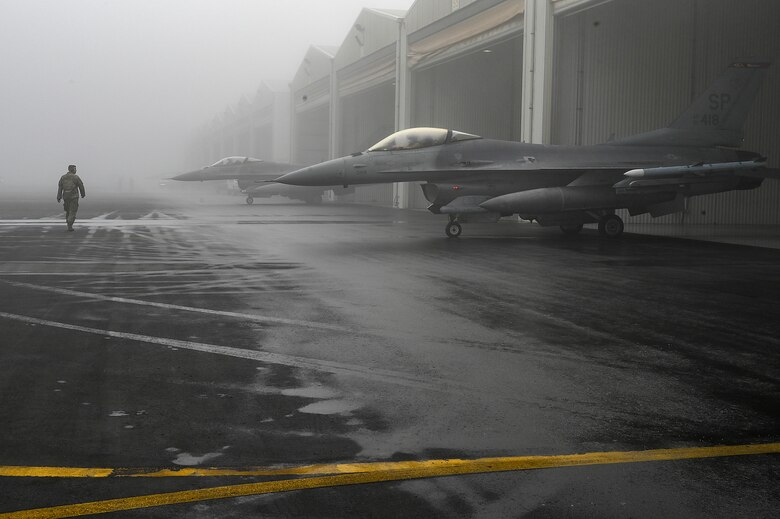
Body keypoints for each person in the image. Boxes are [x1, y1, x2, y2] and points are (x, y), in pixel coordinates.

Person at [56, 165, 85, 231]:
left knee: (68, 211)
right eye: (75, 169)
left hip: (65, 196)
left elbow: (60, 187)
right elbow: (81, 185)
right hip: (74, 196)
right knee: (73, 211)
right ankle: (69, 223)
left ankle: (69, 225)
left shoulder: (63, 177)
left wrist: (59, 196)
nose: (76, 170)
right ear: (72, 170)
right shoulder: (76, 177)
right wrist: (83, 194)